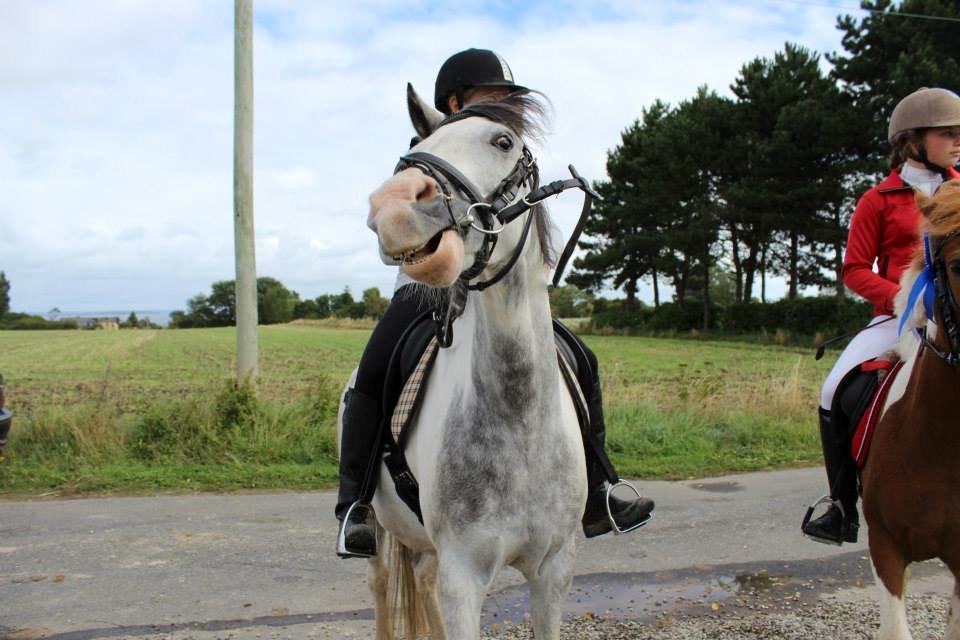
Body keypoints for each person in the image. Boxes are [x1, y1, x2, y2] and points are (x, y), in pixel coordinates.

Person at [336, 48, 655, 558]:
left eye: (508, 100)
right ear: (454, 103)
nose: (504, 108)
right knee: (374, 368)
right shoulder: (433, 153)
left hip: (503, 287)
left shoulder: (503, 149)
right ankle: (355, 505)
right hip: (429, 288)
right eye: (493, 98)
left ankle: (597, 491)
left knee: (583, 360)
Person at [802, 87, 960, 545]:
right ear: (912, 140)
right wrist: (899, 298)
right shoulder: (879, 199)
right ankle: (840, 506)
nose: (957, 142)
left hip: (957, 315)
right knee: (834, 390)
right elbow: (853, 269)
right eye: (947, 134)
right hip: (895, 317)